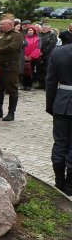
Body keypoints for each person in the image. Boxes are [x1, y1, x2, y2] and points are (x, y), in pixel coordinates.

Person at [46, 39, 72, 195]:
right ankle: (69, 186)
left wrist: (51, 105)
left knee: (60, 143)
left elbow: (50, 81)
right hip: (61, 103)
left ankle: (59, 183)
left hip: (61, 102)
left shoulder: (58, 51)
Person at [0, 14, 23, 121]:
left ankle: (11, 113)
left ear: (10, 24)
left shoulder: (17, 35)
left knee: (12, 90)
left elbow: (12, 47)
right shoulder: (2, 35)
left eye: (2, 24)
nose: (0, 25)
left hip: (10, 67)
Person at [36, 23, 58, 89]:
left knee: (46, 70)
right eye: (43, 28)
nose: (44, 29)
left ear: (49, 29)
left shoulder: (52, 35)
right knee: (39, 69)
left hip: (48, 55)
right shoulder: (38, 34)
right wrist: (38, 52)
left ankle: (47, 85)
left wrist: (43, 52)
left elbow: (52, 45)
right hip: (38, 54)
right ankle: (41, 84)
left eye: (46, 28)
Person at [22, 25, 41, 91]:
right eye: (28, 30)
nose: (29, 31)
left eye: (31, 30)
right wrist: (24, 55)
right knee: (24, 71)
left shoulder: (38, 39)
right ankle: (24, 84)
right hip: (24, 57)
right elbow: (22, 47)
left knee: (30, 71)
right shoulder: (24, 38)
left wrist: (31, 56)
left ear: (34, 31)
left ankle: (29, 85)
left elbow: (38, 48)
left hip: (32, 59)